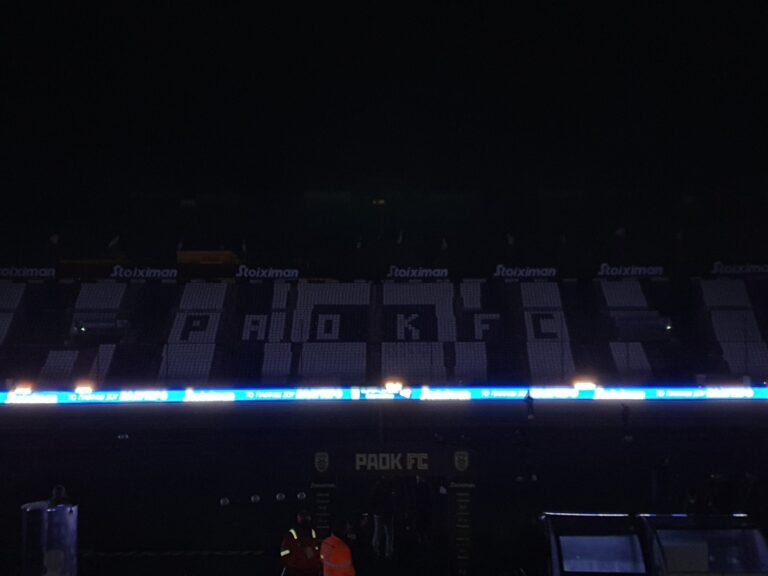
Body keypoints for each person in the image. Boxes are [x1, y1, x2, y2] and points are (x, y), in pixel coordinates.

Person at [280, 510, 322, 576]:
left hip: (310, 571)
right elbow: (284, 553)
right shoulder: (292, 534)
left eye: (306, 518)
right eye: (303, 518)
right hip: (297, 571)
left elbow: (317, 550)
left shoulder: (312, 533)